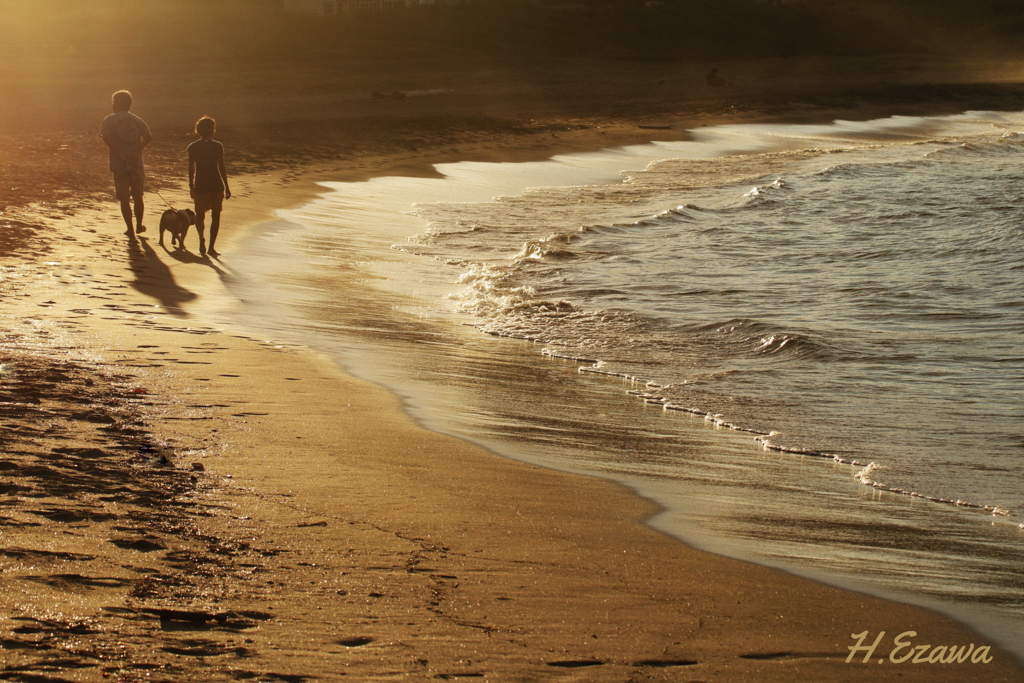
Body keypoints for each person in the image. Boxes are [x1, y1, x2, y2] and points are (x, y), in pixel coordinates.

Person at [100, 90, 152, 236]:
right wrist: (136, 151)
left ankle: (130, 228)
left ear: (116, 104)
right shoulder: (137, 119)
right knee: (138, 196)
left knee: (124, 198)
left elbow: (105, 137)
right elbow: (148, 137)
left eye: (113, 103)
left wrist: (119, 152)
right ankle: (139, 225)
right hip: (137, 163)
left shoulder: (109, 120)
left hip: (119, 164)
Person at [187, 116, 231, 257]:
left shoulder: (193, 147)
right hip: (216, 185)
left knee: (200, 215)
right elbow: (221, 167)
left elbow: (191, 169)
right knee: (215, 216)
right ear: (212, 130)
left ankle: (201, 238)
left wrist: (191, 186)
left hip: (201, 185)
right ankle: (211, 247)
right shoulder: (217, 146)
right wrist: (227, 186)